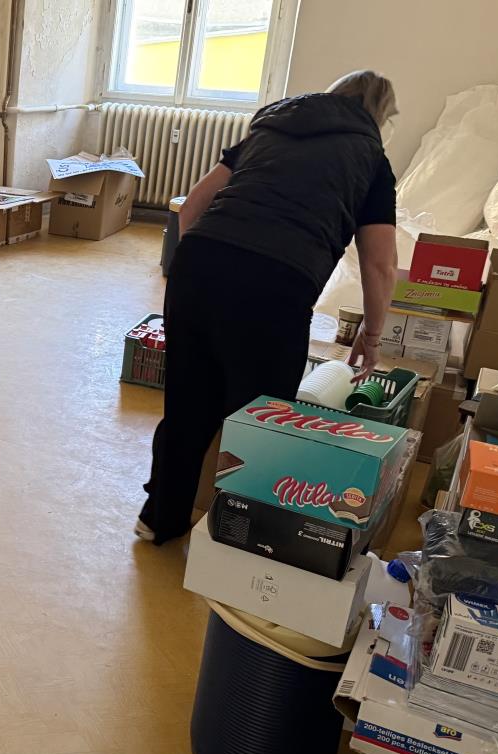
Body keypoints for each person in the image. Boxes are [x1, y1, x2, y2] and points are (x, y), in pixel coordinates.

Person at [136, 70, 400, 545]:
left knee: (188, 404)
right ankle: (239, 538)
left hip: (199, 266)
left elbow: (192, 206)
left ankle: (160, 518)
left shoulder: (271, 129)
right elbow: (380, 264)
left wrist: (205, 262)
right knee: (259, 419)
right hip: (277, 283)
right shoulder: (370, 159)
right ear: (379, 115)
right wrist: (373, 335)